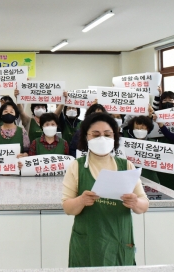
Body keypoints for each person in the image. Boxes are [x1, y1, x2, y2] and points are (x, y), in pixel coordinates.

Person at [62, 112, 149, 267]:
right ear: (86, 137)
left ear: (114, 137)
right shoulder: (76, 166)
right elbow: (67, 208)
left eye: (107, 134)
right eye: (96, 135)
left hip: (119, 241)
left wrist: (135, 202)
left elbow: (144, 205)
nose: (102, 138)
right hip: (88, 242)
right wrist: (81, 201)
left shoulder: (126, 166)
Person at [122, 115, 174, 184]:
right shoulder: (126, 144)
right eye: (136, 128)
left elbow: (164, 159)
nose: (139, 130)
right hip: (130, 179)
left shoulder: (154, 144)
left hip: (150, 180)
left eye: (142, 128)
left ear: (148, 129)